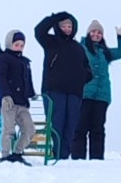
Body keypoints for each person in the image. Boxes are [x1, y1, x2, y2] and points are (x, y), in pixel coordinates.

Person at [34, 11, 93, 160]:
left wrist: (83, 78)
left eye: (69, 26)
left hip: (74, 92)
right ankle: (55, 154)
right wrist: (57, 17)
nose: (67, 29)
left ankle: (64, 157)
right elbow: (39, 30)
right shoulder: (50, 41)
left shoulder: (78, 47)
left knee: (71, 125)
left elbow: (87, 68)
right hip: (54, 89)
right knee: (56, 123)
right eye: (63, 26)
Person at [72, 20, 121, 159]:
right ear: (88, 33)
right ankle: (77, 158)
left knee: (97, 129)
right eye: (93, 31)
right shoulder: (81, 48)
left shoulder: (105, 52)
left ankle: (97, 159)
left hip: (102, 95)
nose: (96, 34)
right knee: (80, 127)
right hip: (85, 94)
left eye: (99, 32)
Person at [0, 29, 36, 165]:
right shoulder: (3, 58)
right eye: (16, 44)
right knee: (8, 130)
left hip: (22, 102)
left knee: (29, 130)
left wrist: (31, 93)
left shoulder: (24, 61)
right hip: (9, 102)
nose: (19, 47)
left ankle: (17, 153)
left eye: (22, 45)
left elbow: (27, 80)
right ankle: (5, 156)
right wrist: (5, 95)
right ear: (9, 43)